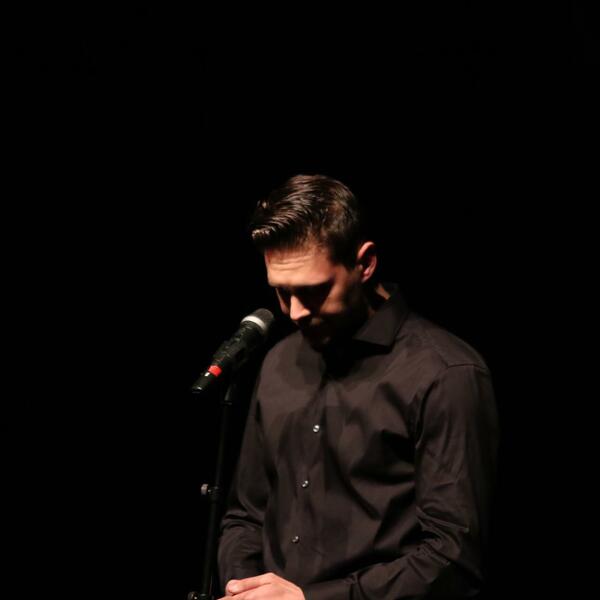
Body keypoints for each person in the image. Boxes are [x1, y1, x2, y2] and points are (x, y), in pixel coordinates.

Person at [216, 174, 499, 599]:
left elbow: (452, 558)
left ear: (364, 264)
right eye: (281, 293)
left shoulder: (446, 373)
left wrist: (311, 599)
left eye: (312, 291)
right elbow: (245, 516)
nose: (294, 312)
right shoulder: (278, 361)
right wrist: (243, 588)